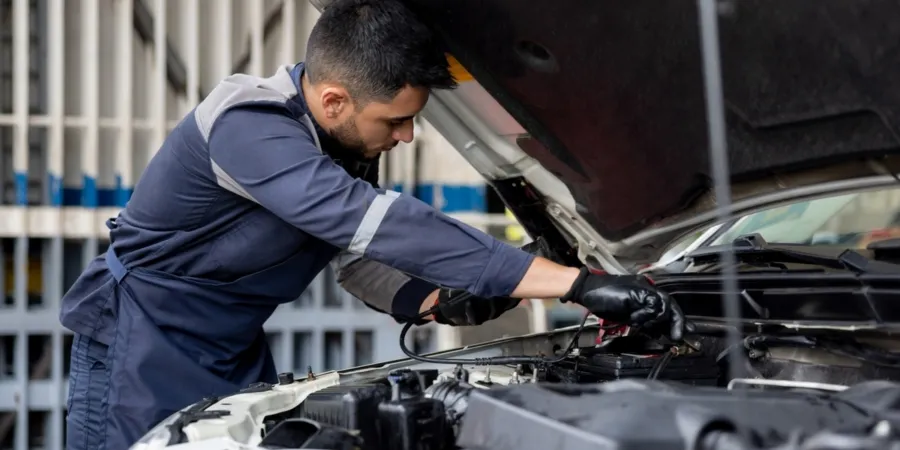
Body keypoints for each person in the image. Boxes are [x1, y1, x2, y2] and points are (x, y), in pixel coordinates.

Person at [59, 0, 685, 448]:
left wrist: (441, 300)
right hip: (137, 347)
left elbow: (356, 258)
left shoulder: (343, 143)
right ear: (334, 100)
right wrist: (572, 284)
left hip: (233, 350)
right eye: (396, 121)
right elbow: (375, 224)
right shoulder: (246, 125)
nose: (408, 136)